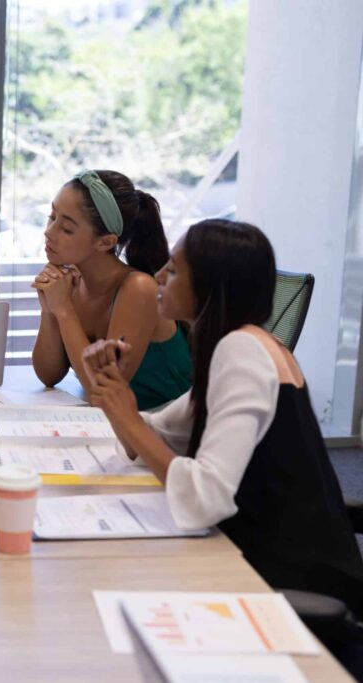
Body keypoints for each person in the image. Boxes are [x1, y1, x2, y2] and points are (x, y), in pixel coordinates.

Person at [82, 219, 363, 668]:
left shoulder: (242, 353)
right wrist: (115, 391)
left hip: (291, 586)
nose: (157, 277)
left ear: (208, 286)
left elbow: (204, 498)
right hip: (259, 560)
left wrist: (126, 416)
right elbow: (144, 440)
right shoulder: (238, 347)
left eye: (172, 271)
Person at [31, 170, 191, 410]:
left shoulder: (138, 288)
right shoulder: (72, 282)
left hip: (168, 430)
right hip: (113, 425)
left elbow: (101, 391)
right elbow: (49, 375)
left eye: (66, 228)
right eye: (52, 217)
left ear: (106, 242)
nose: (49, 232)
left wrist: (64, 310)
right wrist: (50, 310)